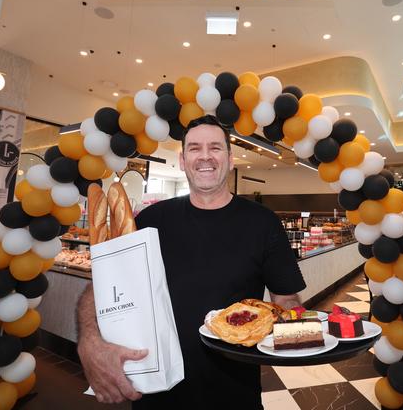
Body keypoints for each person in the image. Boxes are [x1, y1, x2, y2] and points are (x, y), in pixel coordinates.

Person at [76, 115, 306, 408]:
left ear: (230, 158)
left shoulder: (263, 222)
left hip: (234, 394)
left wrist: (301, 331)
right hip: (156, 393)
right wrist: (90, 341)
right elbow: (101, 288)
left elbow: (286, 300)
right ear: (183, 160)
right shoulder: (149, 221)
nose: (205, 156)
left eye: (215, 148)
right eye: (195, 148)